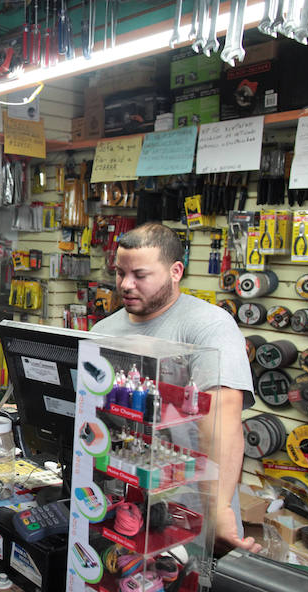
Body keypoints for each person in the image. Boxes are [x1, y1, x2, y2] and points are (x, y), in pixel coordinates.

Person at [90, 222, 260, 553]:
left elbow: (222, 418)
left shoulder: (209, 326)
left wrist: (220, 509)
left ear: (175, 271)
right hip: (124, 501)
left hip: (191, 510)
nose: (126, 284)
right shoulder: (103, 329)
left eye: (140, 275)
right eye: (120, 273)